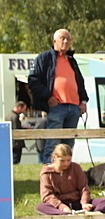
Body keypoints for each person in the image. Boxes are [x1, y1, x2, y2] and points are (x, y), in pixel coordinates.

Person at [26, 28, 88, 163]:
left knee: (68, 144)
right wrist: (48, 97)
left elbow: (80, 83)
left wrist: (83, 101)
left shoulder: (72, 60)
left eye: (68, 39)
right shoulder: (45, 58)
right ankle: (49, 173)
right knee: (53, 141)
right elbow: (33, 80)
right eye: (62, 38)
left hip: (74, 107)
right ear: (54, 41)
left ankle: (65, 175)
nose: (66, 41)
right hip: (57, 106)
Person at [37, 143, 105, 215]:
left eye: (68, 160)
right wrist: (62, 207)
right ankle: (65, 215)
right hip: (59, 204)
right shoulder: (46, 173)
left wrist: (84, 203)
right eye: (62, 161)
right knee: (41, 207)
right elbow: (47, 195)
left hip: (78, 202)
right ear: (54, 158)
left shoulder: (76, 168)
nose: (66, 163)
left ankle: (93, 213)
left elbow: (84, 188)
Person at [9, 100, 27, 164]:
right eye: (23, 109)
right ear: (19, 107)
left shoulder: (8, 115)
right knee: (16, 159)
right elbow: (17, 129)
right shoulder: (15, 117)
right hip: (16, 142)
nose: (23, 111)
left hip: (10, 141)